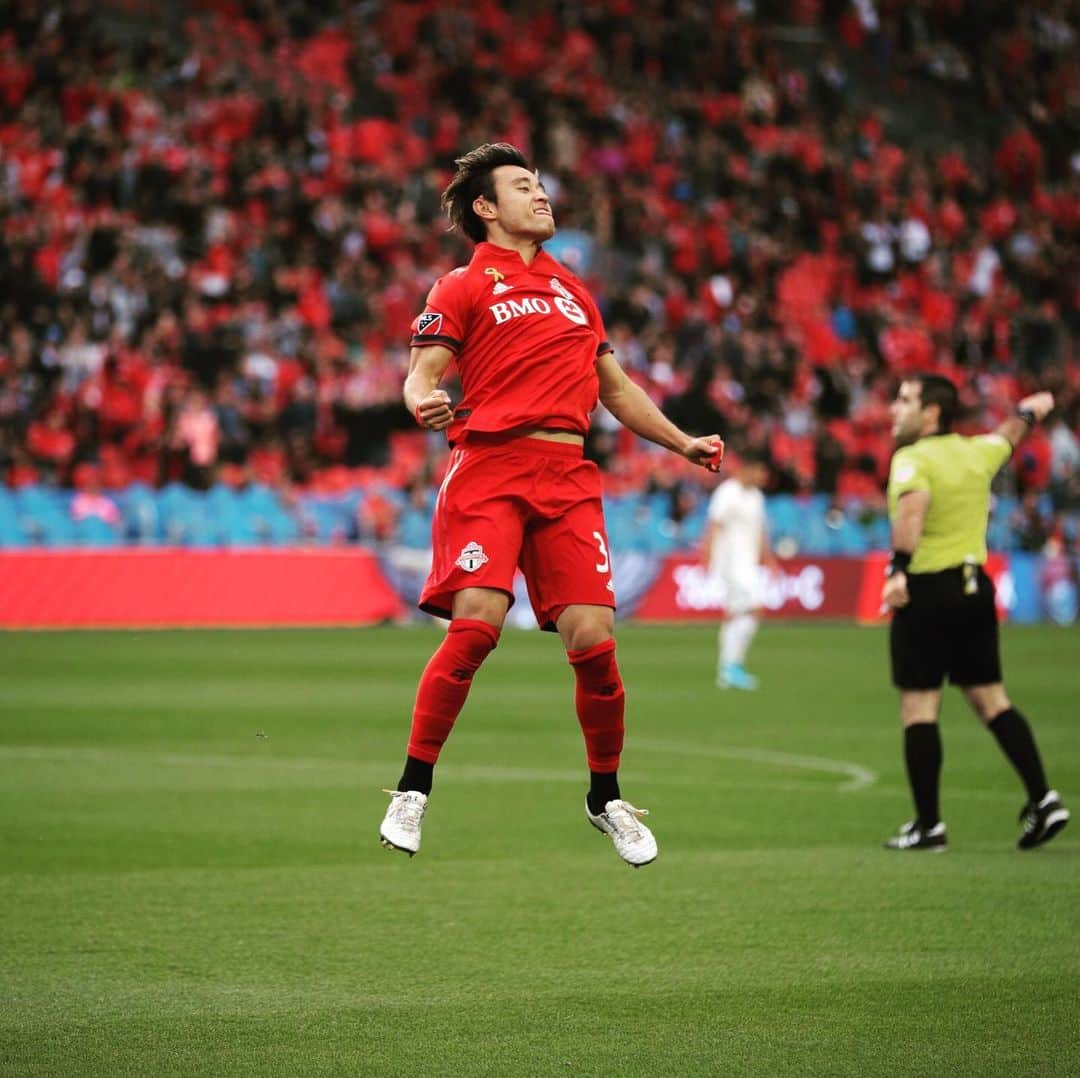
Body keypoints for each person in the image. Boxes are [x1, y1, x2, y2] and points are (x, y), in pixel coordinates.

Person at [378, 143, 725, 867]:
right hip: (492, 468)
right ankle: (413, 788)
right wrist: (423, 402)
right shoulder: (462, 286)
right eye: (522, 186)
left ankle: (606, 797)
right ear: (485, 207)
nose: (541, 196)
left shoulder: (573, 290)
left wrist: (682, 442)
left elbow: (617, 389)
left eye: (540, 185)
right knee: (477, 623)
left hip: (566, 473)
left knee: (595, 639)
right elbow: (421, 374)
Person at [881, 374, 1069, 852]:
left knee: (919, 707)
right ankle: (1044, 798)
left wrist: (897, 569)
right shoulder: (975, 451)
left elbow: (913, 511)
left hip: (926, 589)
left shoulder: (913, 459)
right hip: (974, 589)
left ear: (931, 414)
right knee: (992, 701)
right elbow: (1008, 437)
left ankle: (929, 825)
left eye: (905, 401)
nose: (893, 410)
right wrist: (1029, 411)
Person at [703, 449, 773, 690]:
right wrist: (707, 556)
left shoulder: (756, 496)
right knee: (753, 608)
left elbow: (760, 530)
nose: (764, 477)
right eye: (761, 471)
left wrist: (769, 559)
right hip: (731, 562)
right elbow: (714, 525)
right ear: (749, 469)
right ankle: (732, 667)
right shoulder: (728, 492)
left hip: (748, 562)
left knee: (736, 613)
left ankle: (728, 668)